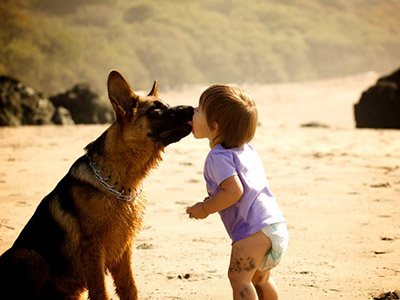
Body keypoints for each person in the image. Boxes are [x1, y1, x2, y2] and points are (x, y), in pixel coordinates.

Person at [186, 84, 289, 300]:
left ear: (215, 126)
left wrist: (205, 208)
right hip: (274, 226)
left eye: (199, 109)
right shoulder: (247, 150)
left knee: (238, 278)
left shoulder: (217, 157)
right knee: (261, 279)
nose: (193, 111)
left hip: (252, 231)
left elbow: (234, 191)